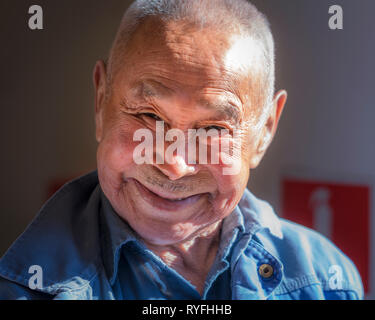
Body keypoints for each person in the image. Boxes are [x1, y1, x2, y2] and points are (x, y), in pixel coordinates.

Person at [0, 0, 363, 300]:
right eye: (147, 115)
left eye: (214, 129)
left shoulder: (328, 283)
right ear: (100, 101)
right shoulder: (21, 289)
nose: (174, 164)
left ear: (264, 131)